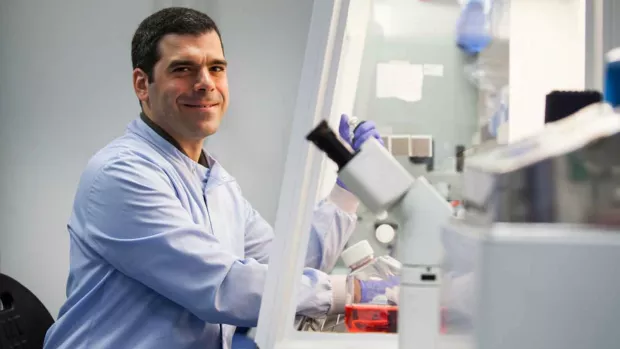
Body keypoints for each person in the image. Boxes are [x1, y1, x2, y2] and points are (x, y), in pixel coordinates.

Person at [43, 7, 383, 349]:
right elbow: (223, 286)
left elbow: (289, 267)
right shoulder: (120, 175)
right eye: (183, 68)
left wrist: (347, 190)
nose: (205, 82)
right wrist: (353, 292)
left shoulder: (214, 181)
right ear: (142, 84)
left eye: (216, 68)